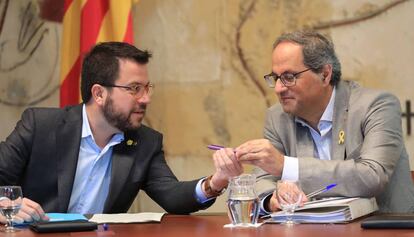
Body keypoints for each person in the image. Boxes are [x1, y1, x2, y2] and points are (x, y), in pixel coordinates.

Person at [0, 42, 232, 223]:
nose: (146, 98)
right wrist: (4, 205)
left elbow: (172, 195)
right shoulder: (40, 125)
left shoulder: (144, 142)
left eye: (147, 88)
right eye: (134, 89)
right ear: (99, 93)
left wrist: (216, 181)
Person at [213, 30, 414, 213]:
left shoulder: (376, 106)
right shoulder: (278, 117)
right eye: (276, 78)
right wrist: (271, 199)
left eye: (289, 77)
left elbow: (372, 176)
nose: (279, 88)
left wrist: (286, 166)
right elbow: (261, 179)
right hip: (311, 229)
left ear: (325, 74)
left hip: (383, 228)